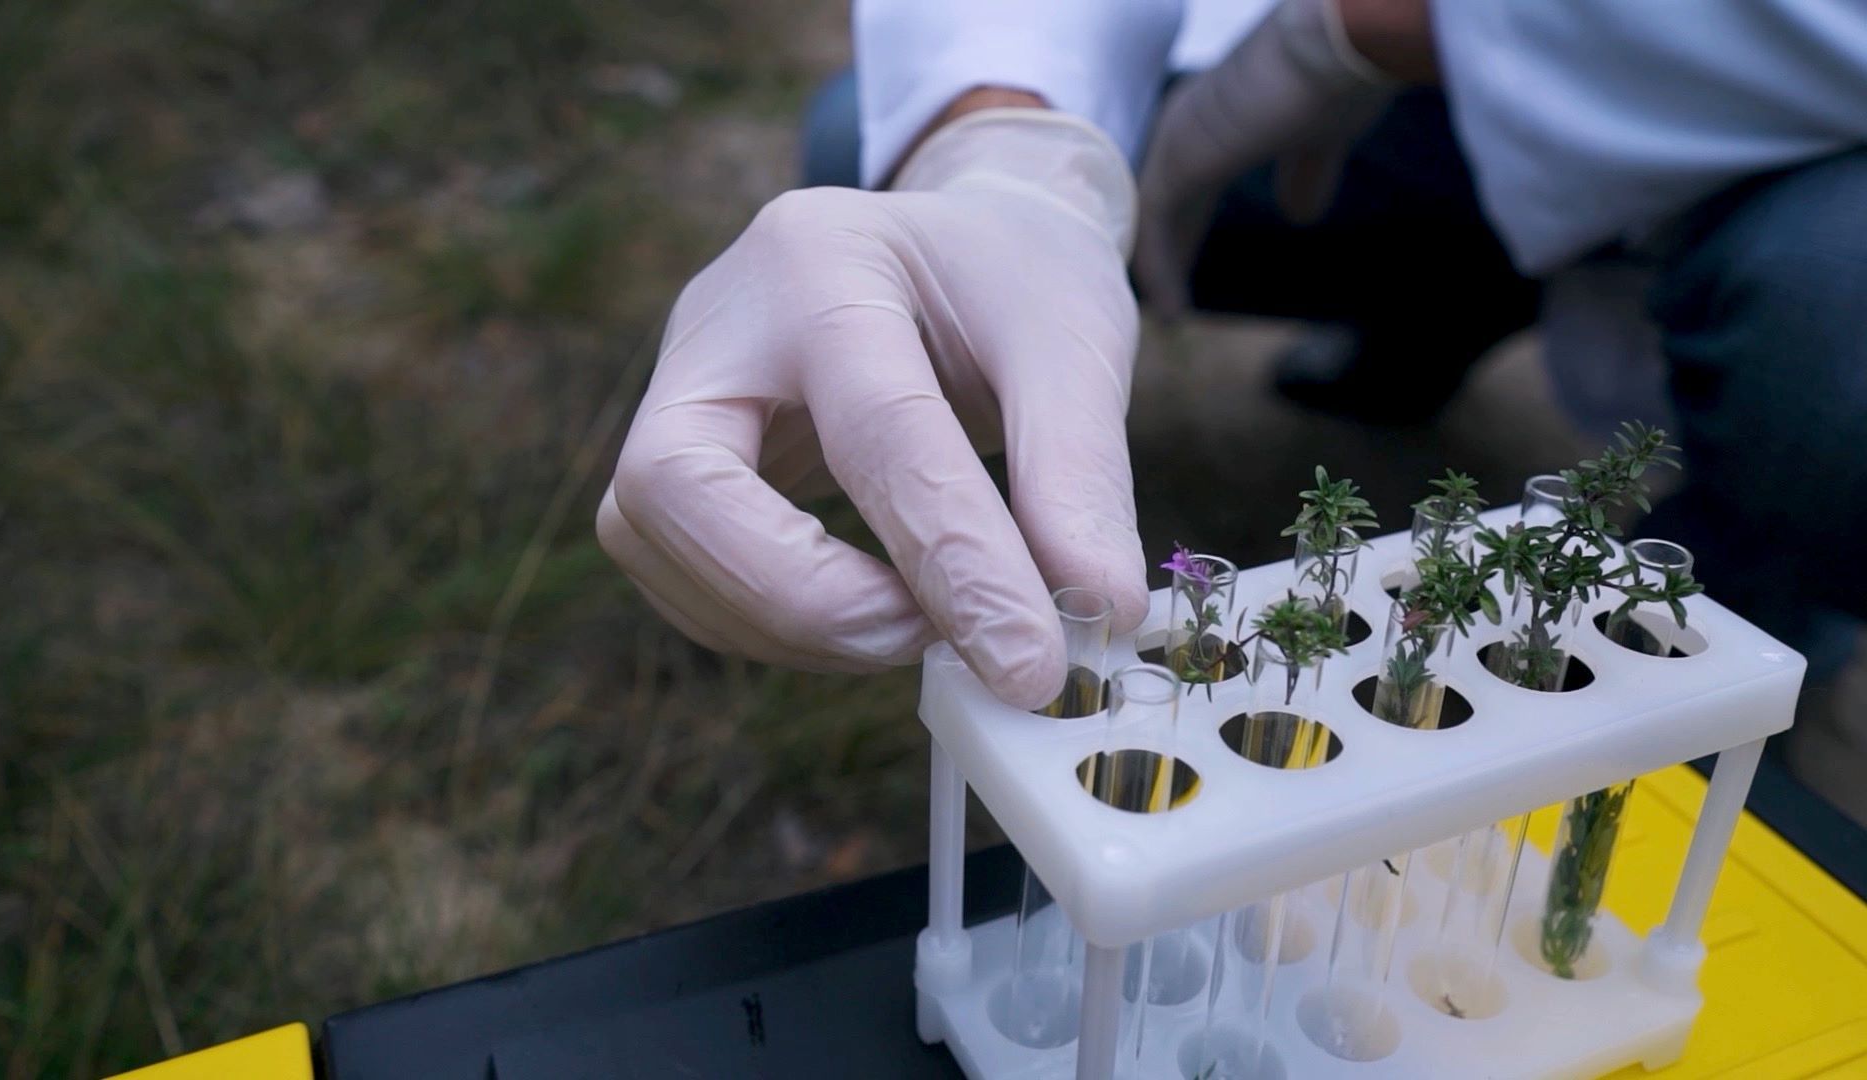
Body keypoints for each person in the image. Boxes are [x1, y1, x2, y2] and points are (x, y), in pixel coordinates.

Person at [598, 0, 1867, 715]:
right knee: (862, 144)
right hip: (1451, 75)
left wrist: (1414, 22)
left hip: (1796, 119)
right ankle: (1442, 294)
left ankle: (1743, 621)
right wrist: (997, 141)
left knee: (1833, 357)